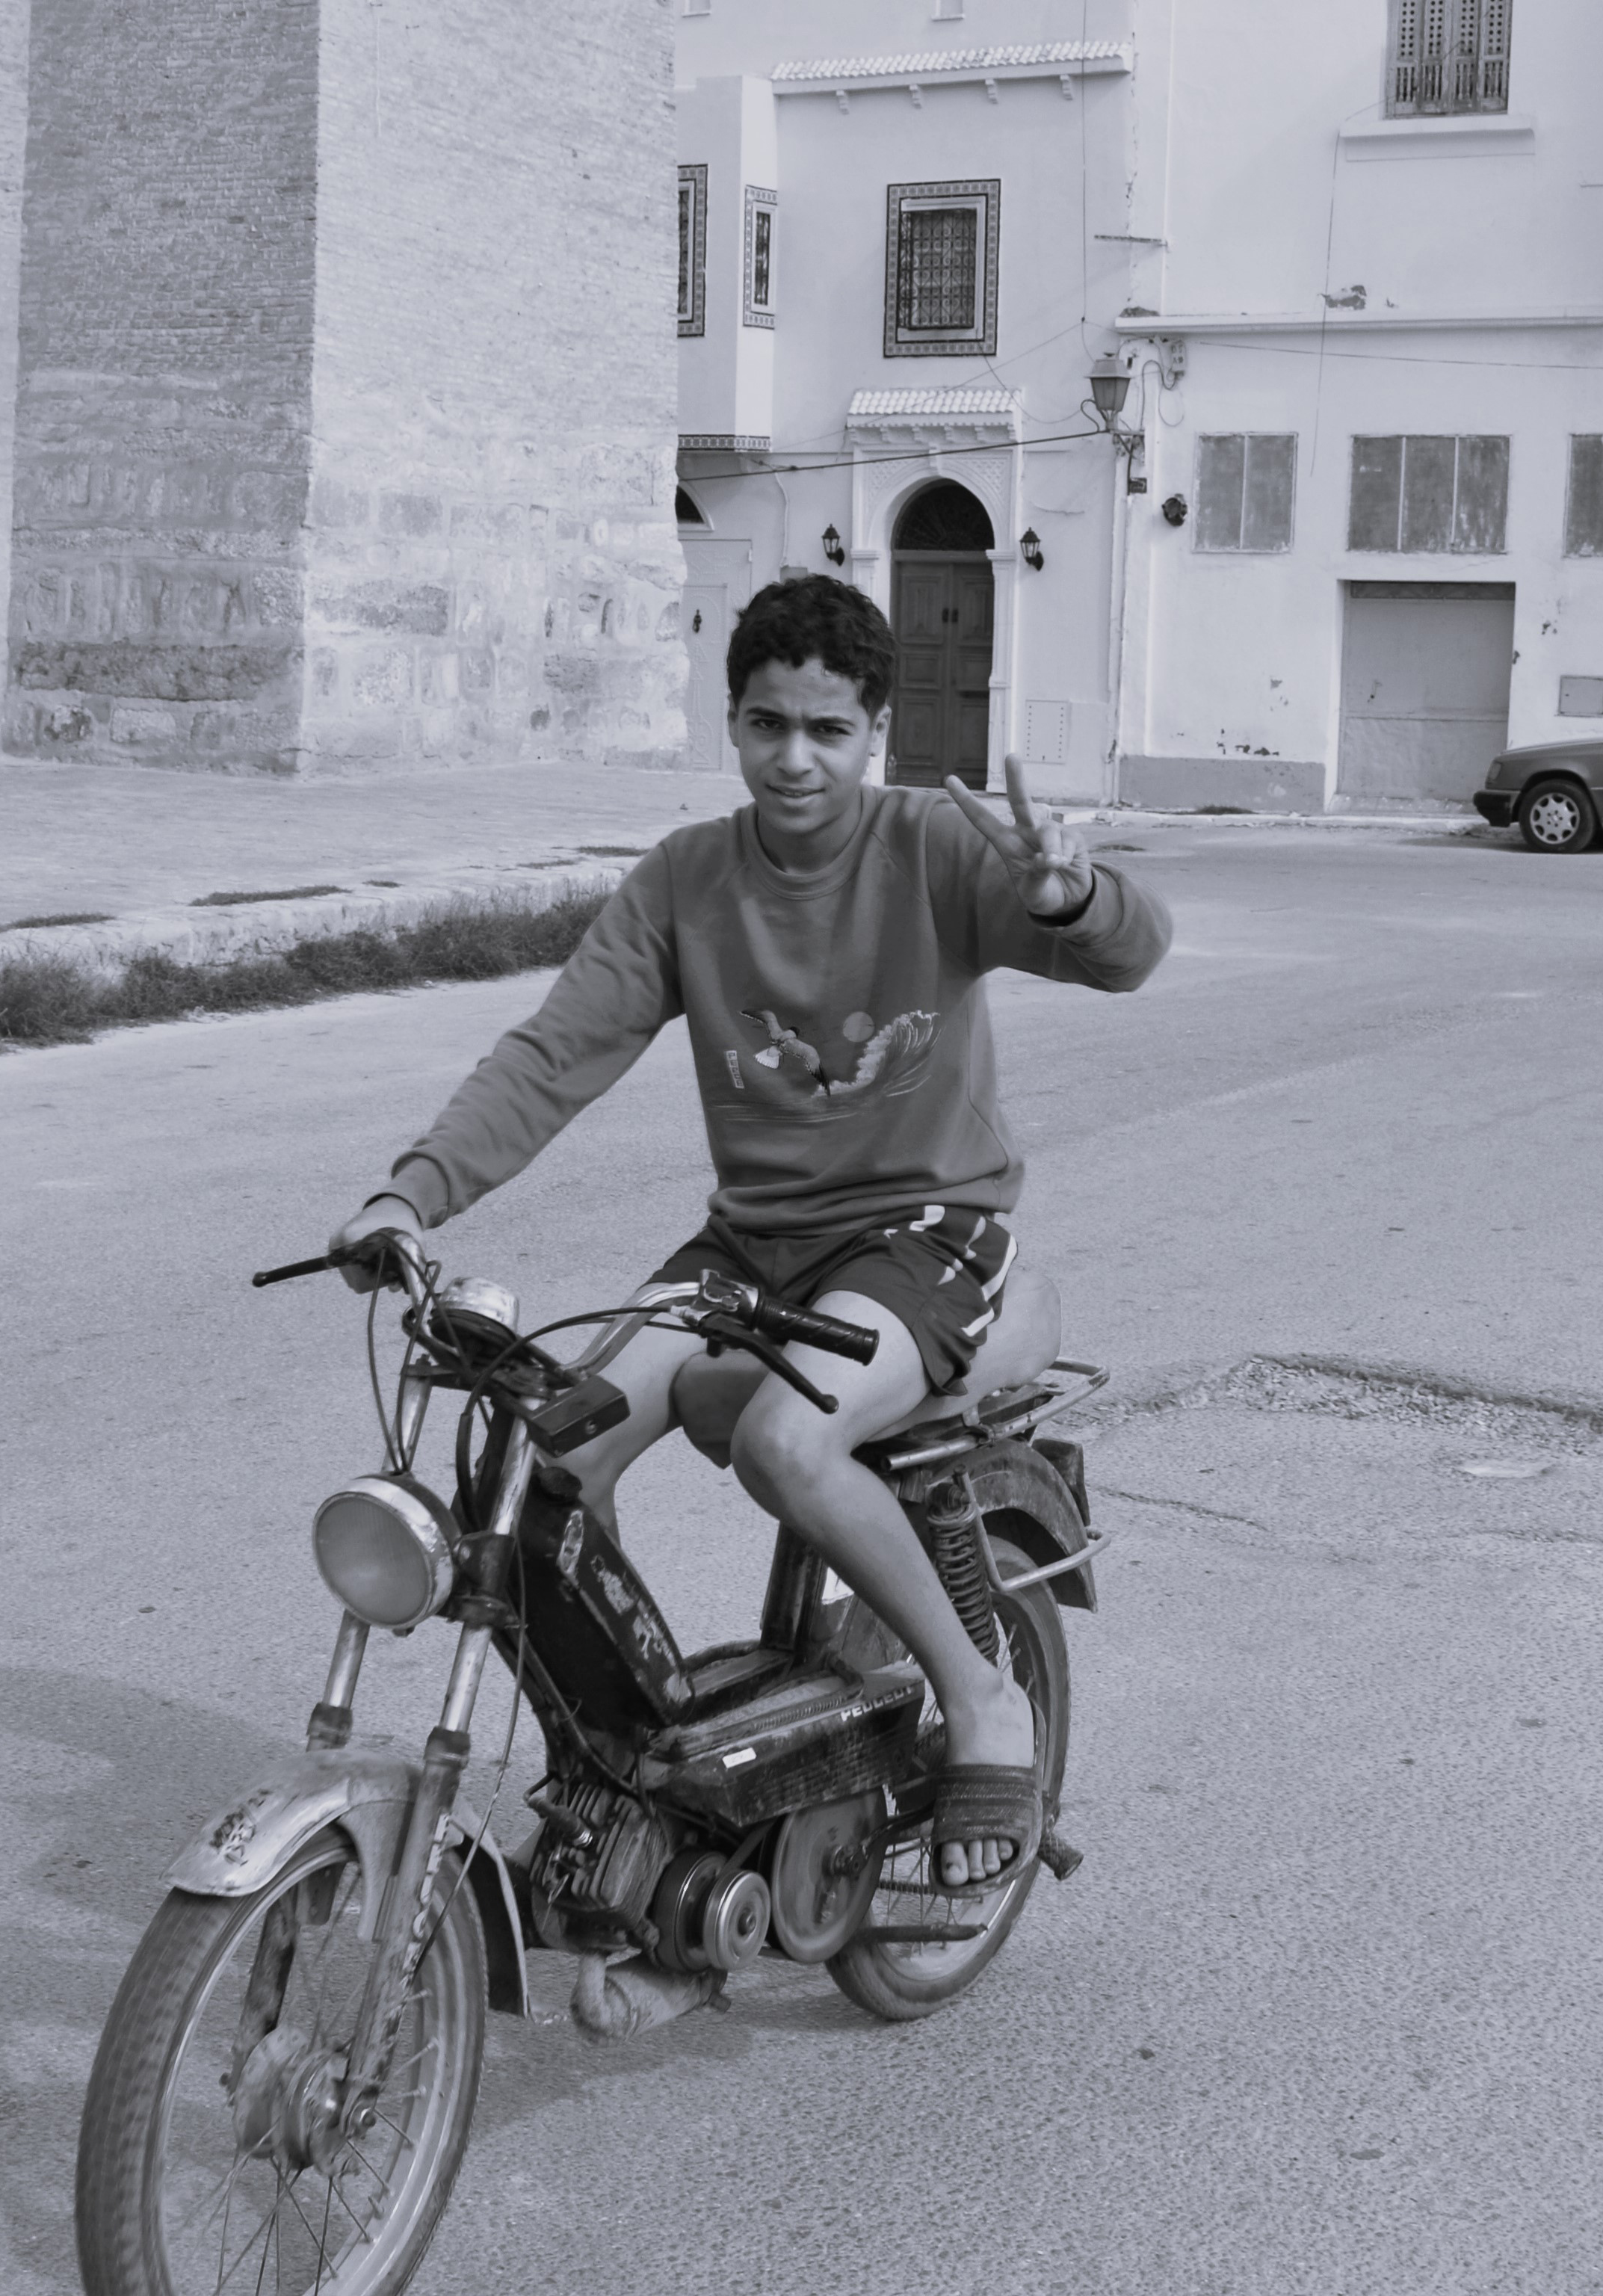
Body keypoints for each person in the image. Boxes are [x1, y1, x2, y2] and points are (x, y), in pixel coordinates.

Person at [331, 575, 1171, 1890]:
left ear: (876, 734)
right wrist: (412, 1193)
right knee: (546, 1463)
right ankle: (618, 1769)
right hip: (748, 1249)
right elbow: (557, 1052)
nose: (795, 759)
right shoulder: (688, 878)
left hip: (924, 1232)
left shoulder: (937, 850)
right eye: (767, 724)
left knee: (788, 1439)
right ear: (731, 722)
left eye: (828, 730)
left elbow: (1129, 954)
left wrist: (1073, 897)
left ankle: (982, 1699)